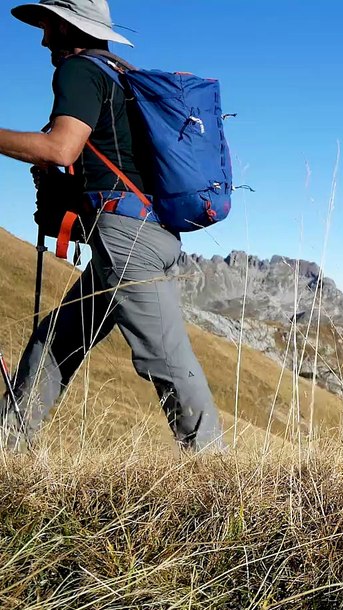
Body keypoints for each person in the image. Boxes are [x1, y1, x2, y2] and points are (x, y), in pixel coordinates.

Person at [0, 0, 223, 451]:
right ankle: (8, 446)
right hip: (142, 230)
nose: (43, 38)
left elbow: (61, 149)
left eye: (48, 25)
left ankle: (216, 473)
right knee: (56, 339)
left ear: (68, 26)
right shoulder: (120, 73)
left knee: (166, 359)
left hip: (126, 238)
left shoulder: (79, 71)